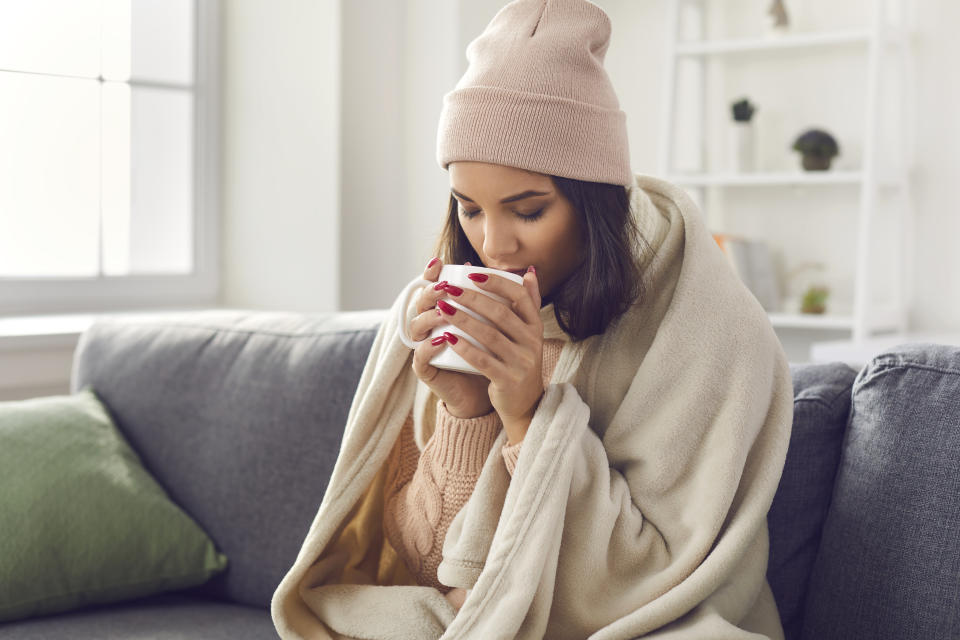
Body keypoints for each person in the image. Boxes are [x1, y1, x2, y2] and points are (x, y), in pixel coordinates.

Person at [271, 1, 794, 638]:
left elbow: (650, 578)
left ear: (595, 201)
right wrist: (470, 416)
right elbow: (428, 571)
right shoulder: (440, 313)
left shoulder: (706, 328)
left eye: (527, 211)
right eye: (468, 208)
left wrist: (529, 417)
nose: (493, 245)